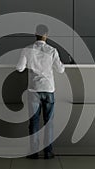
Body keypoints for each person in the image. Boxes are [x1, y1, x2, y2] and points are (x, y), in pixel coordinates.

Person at [16, 24, 65, 159]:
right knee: (48, 122)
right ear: (46, 35)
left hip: (34, 90)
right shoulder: (52, 50)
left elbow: (19, 68)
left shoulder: (27, 50)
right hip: (48, 89)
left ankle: (34, 152)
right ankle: (48, 152)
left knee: (34, 122)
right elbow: (60, 70)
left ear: (35, 33)